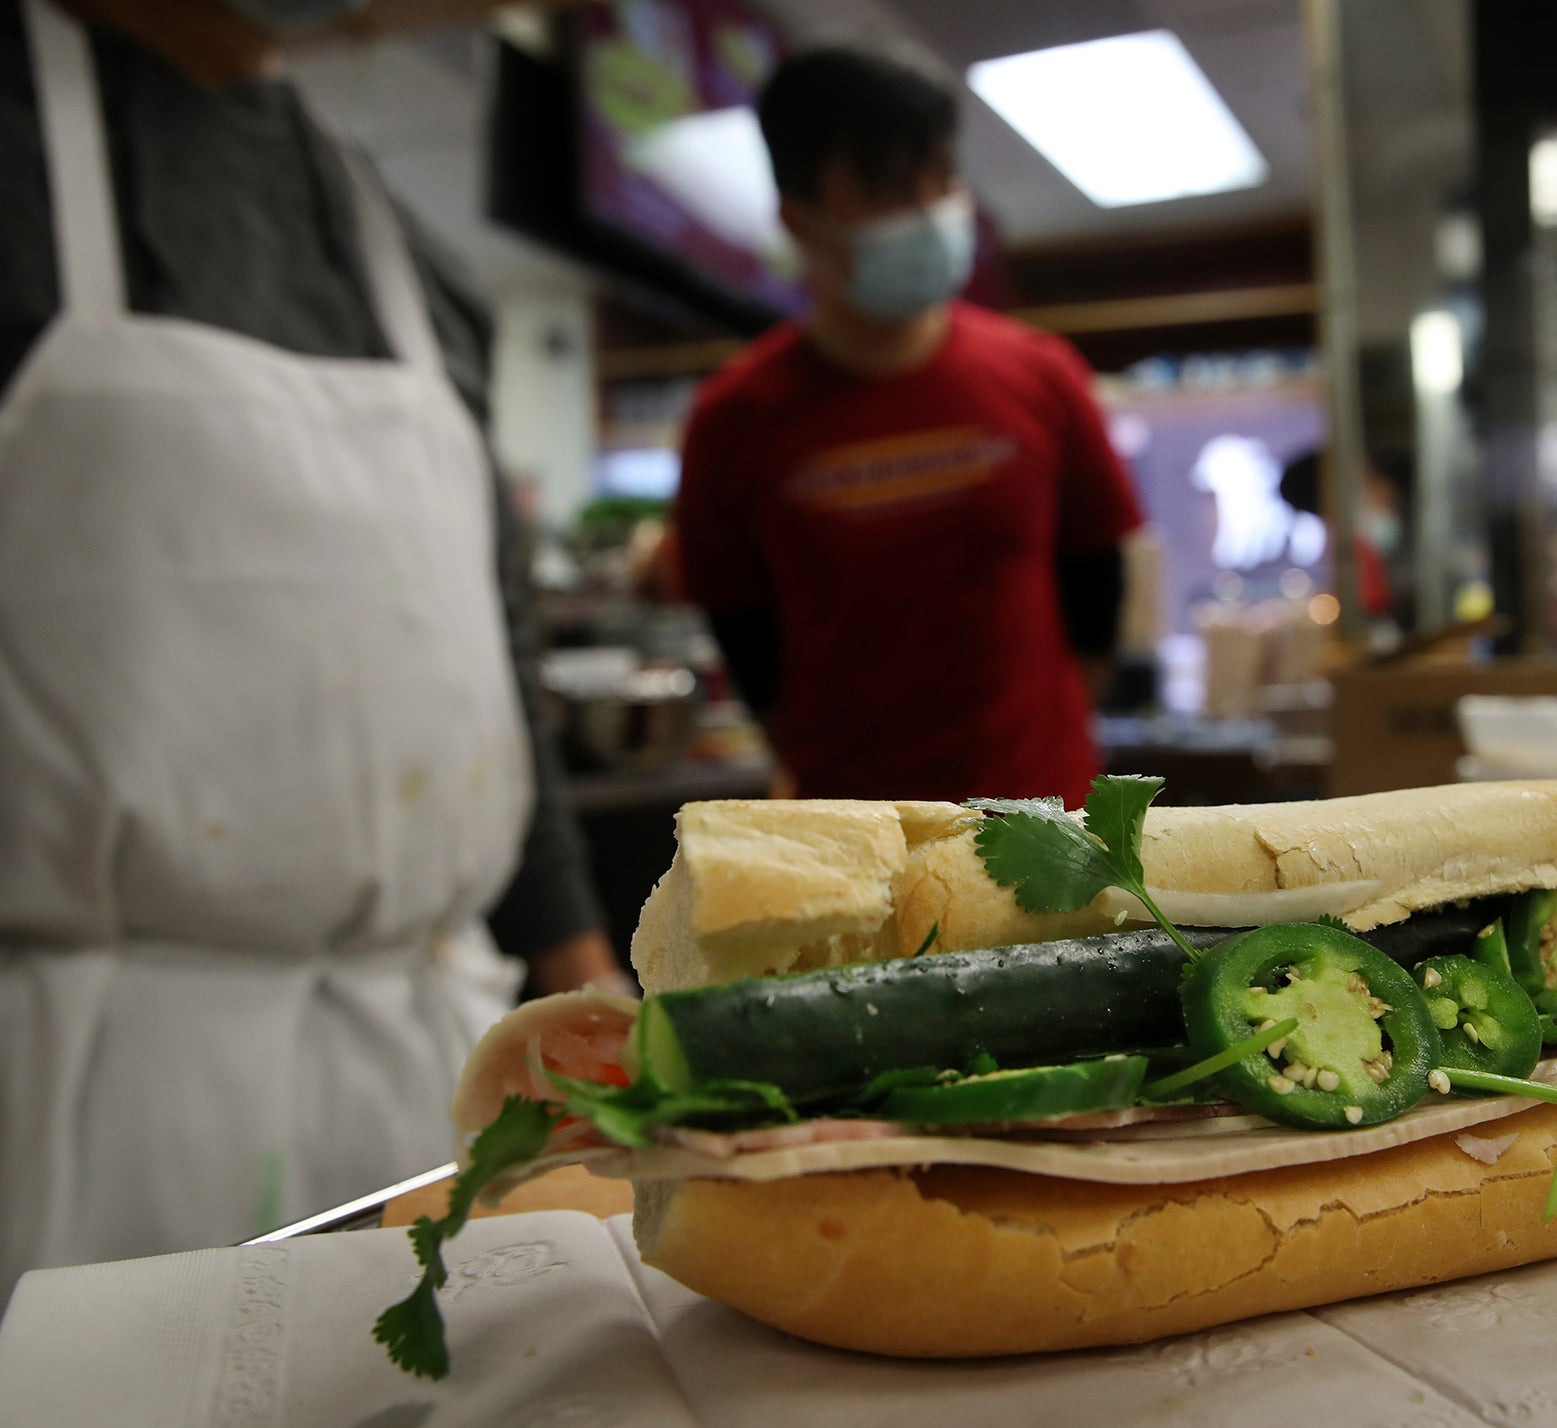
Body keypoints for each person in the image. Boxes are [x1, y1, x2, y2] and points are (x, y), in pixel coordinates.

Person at [0, 0, 630, 1290]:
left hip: (418, 1059)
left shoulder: (406, 255)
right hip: (80, 1083)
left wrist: (594, 1000)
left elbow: (490, 673)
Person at [675, 43, 1145, 809]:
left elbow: (1097, 571)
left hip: (1048, 825)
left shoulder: (1041, 374)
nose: (930, 207)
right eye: (891, 184)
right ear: (800, 218)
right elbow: (742, 626)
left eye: (944, 176)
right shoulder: (733, 421)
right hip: (856, 843)